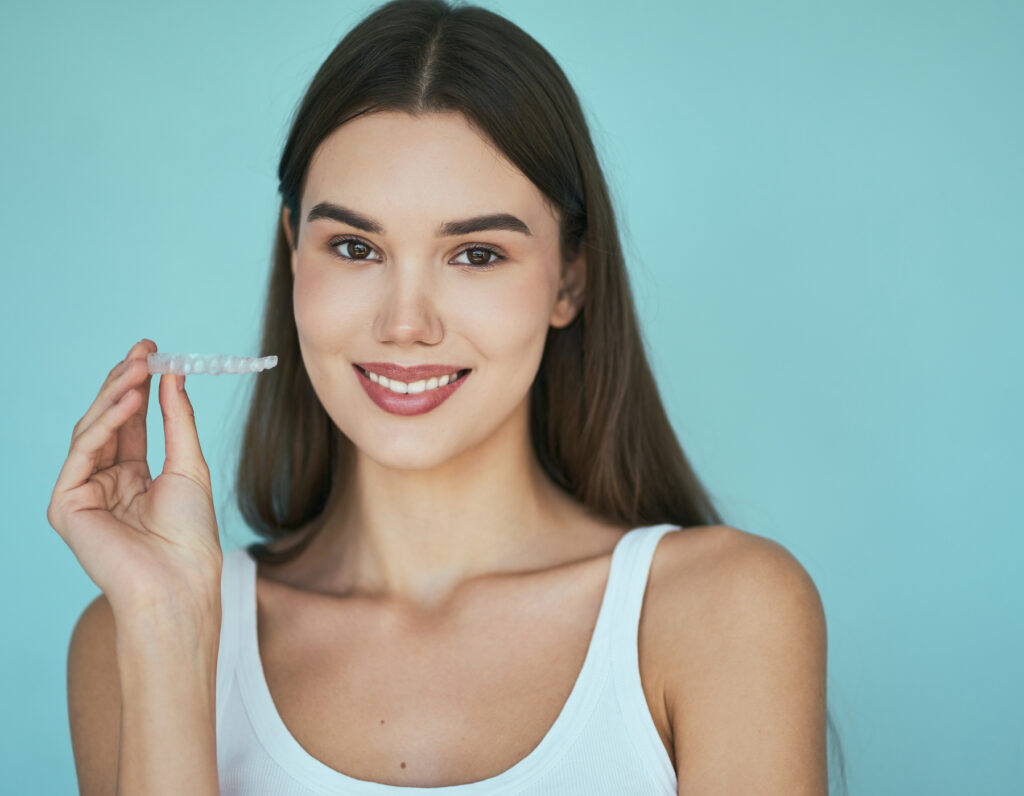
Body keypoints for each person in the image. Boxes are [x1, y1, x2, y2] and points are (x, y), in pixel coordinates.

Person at [49, 1, 829, 793]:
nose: (405, 323)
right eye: (355, 248)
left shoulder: (724, 614)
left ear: (569, 278)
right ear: (293, 254)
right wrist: (164, 629)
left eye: (477, 254)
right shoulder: (129, 631)